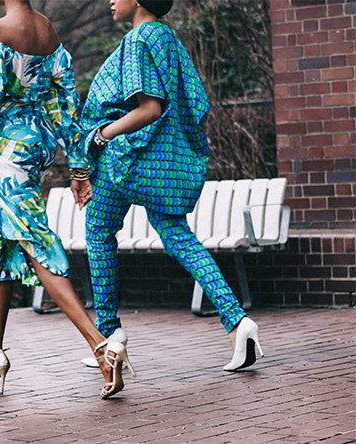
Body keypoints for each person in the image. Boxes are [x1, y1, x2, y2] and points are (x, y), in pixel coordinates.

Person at [0, 0, 135, 399]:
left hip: (4, 153)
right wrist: (78, 168)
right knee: (2, 247)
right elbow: (66, 106)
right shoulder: (48, 31)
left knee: (36, 244)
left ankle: (102, 346)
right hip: (35, 147)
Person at [80, 0, 264, 372]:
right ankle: (237, 321)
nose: (110, 0)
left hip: (127, 160)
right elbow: (190, 104)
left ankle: (110, 335)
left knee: (98, 231)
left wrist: (102, 135)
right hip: (160, 162)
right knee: (178, 237)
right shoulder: (168, 39)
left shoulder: (139, 39)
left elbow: (150, 108)